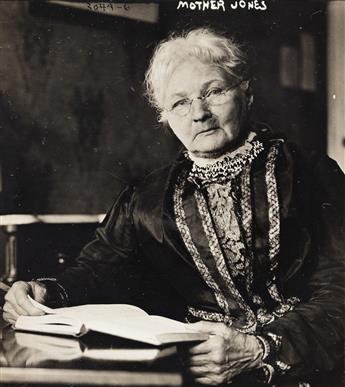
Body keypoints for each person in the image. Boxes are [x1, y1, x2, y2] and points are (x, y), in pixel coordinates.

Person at [3, 28, 344, 385]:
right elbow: (98, 270)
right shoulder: (148, 198)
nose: (199, 113)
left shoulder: (309, 174)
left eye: (214, 92)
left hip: (306, 366)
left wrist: (260, 348)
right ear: (165, 115)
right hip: (197, 373)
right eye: (180, 102)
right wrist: (45, 293)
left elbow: (341, 286)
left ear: (247, 91)